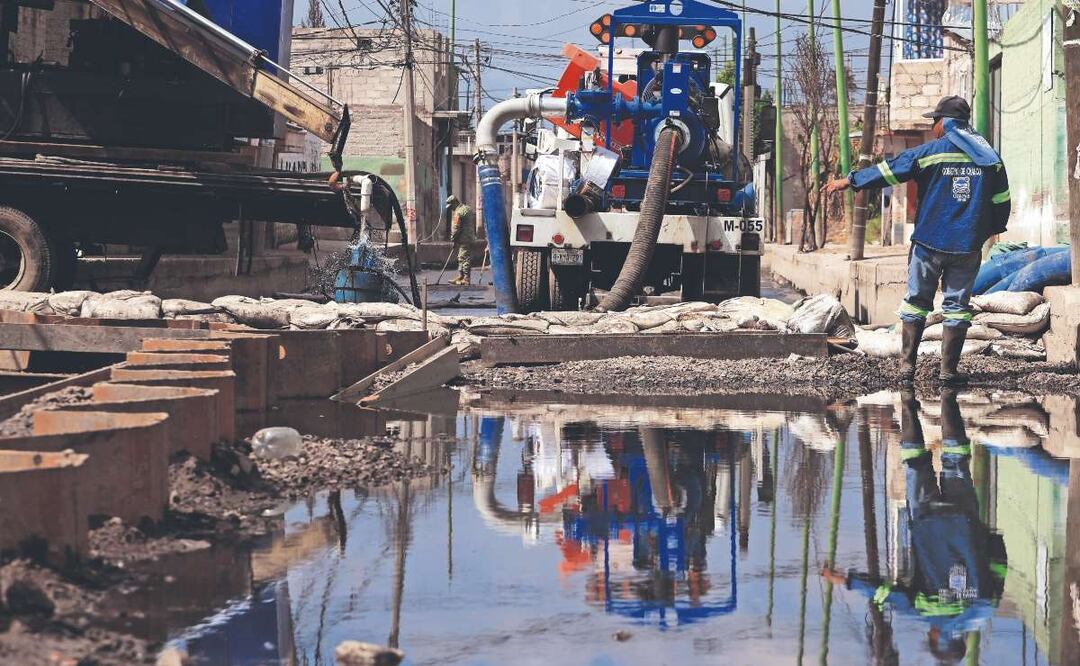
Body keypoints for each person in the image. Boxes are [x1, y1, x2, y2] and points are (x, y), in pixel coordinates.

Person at [827, 96, 1012, 384]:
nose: (933, 127)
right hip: (967, 246)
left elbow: (888, 172)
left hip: (928, 244)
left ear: (944, 123)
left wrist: (850, 181)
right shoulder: (989, 158)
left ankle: (907, 369)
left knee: (916, 303)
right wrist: (983, 232)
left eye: (934, 121)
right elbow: (1002, 202)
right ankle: (948, 372)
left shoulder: (929, 153)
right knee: (957, 307)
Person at [822, 389, 1007, 664]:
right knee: (916, 462)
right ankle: (906, 397)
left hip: (963, 520)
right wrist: (846, 580)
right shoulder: (924, 610)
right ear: (936, 637)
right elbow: (884, 593)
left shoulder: (984, 607)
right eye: (930, 636)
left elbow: (998, 561)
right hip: (926, 519)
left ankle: (947, 394)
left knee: (956, 458)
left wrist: (983, 534)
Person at [446, 195, 474, 286]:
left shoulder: (458, 212)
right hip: (469, 237)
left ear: (454, 203)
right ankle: (461, 276)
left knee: (464, 258)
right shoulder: (467, 209)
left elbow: (456, 228)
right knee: (461, 256)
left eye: (451, 206)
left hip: (464, 239)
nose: (451, 209)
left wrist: (453, 239)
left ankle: (466, 279)